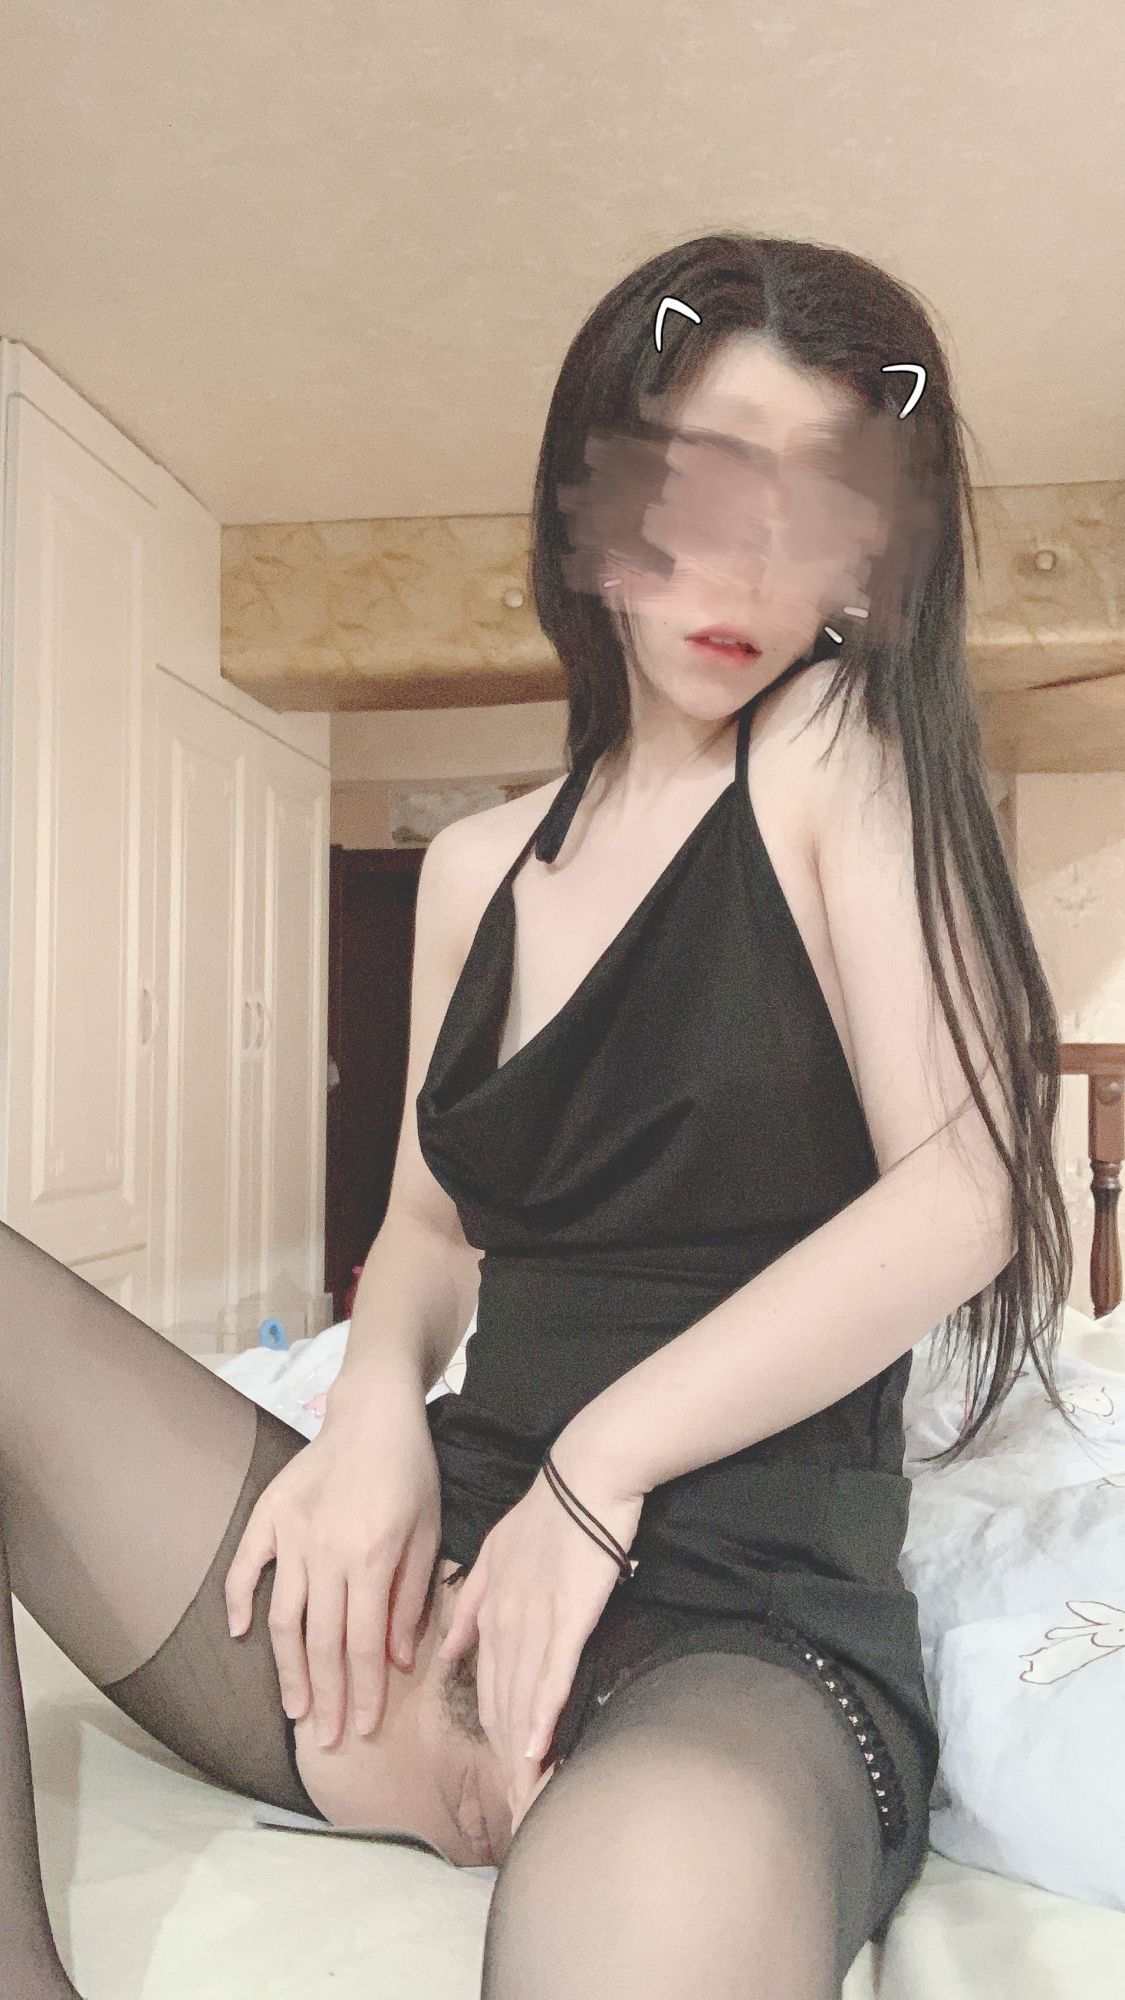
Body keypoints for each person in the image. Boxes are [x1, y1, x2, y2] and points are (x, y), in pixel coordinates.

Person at [2, 231, 1078, 2000]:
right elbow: (431, 1229)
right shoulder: (477, 868)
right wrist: (370, 1414)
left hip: (738, 1616)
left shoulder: (833, 758)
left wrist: (598, 1472)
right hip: (444, 1571)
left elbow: (966, 1193)